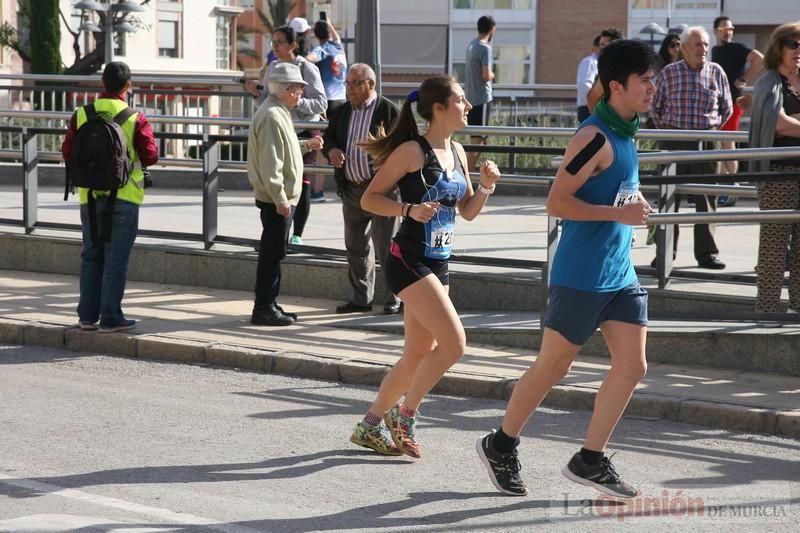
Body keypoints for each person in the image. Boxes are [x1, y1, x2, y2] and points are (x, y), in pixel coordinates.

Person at [477, 39, 655, 499]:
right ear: (617, 86)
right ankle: (500, 443)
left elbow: (611, 191)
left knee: (633, 365)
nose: (653, 87)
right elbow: (555, 202)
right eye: (645, 80)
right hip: (580, 274)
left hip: (619, 273)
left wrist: (630, 202)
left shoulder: (628, 131)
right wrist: (618, 214)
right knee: (552, 368)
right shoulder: (593, 136)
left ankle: (590, 459)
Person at [349, 75, 501, 457]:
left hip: (439, 261)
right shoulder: (412, 153)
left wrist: (484, 187)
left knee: (418, 352)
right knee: (455, 344)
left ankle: (369, 425)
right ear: (439, 108)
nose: (468, 106)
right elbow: (370, 199)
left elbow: (466, 213)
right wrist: (408, 209)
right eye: (462, 100)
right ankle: (407, 415)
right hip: (409, 259)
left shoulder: (459, 153)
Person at [62, 61, 158, 333]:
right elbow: (151, 155)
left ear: (102, 84)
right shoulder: (135, 117)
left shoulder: (82, 114)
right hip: (125, 195)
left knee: (91, 253)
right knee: (116, 258)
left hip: (89, 196)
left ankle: (87, 316)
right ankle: (111, 317)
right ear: (128, 86)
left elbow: (67, 151)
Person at [322, 63, 403, 315]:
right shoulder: (341, 111)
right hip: (351, 188)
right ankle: (361, 298)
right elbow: (330, 139)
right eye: (347, 83)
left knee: (386, 245)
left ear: (371, 84)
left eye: (356, 83)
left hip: (382, 191)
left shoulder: (389, 111)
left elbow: (404, 148)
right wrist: (332, 150)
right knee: (355, 246)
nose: (350, 89)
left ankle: (395, 298)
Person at [247, 63, 323, 326]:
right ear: (283, 89)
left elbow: (284, 148)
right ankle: (264, 306)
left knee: (275, 251)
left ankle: (269, 302)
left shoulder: (277, 112)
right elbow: (271, 162)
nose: (301, 94)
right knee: (272, 253)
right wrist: (280, 198)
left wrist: (306, 144)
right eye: (297, 89)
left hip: (280, 198)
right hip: (276, 199)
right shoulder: (271, 115)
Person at [650, 26, 732, 270]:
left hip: (707, 140)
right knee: (668, 198)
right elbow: (655, 106)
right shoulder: (668, 73)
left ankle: (707, 254)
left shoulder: (716, 72)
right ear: (684, 48)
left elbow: (726, 108)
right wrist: (669, 131)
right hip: (674, 140)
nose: (703, 49)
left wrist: (710, 130)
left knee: (706, 199)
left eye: (706, 44)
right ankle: (664, 253)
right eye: (697, 44)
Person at [245, 25, 326, 246]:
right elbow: (269, 101)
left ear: (292, 45)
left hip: (303, 128)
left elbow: (321, 102)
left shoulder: (307, 68)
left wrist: (297, 99)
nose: (275, 47)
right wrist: (257, 94)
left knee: (300, 182)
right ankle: (279, 235)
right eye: (273, 42)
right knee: (279, 176)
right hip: (279, 125)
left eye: (280, 42)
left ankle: (296, 233)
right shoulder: (273, 67)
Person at [749, 22, 800, 313]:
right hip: (778, 174)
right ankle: (766, 311)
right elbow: (778, 123)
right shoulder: (769, 81)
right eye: (792, 44)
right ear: (778, 47)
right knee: (773, 246)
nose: (798, 51)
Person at [712, 16, 764, 207]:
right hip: (718, 104)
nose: (729, 32)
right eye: (725, 29)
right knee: (719, 144)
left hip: (733, 103)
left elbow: (760, 59)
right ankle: (723, 187)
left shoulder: (737, 48)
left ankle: (732, 187)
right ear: (716, 31)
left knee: (728, 142)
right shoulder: (716, 50)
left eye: (731, 29)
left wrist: (744, 78)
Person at [307, 19, 348, 202]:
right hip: (343, 100)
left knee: (324, 146)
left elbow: (309, 60)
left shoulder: (321, 49)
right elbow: (335, 35)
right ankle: (347, 187)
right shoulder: (338, 47)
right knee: (343, 143)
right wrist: (329, 23)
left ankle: (318, 190)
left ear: (317, 35)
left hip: (328, 103)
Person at [464, 15, 496, 170]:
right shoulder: (485, 48)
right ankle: (468, 176)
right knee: (478, 142)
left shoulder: (471, 45)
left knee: (477, 140)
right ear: (491, 29)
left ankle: (469, 174)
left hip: (471, 97)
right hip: (482, 99)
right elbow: (485, 75)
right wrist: (493, 75)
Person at [585, 28, 624, 113]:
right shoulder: (628, 68)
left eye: (603, 45)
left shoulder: (610, 70)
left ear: (614, 46)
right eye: (600, 45)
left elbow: (592, 101)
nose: (599, 49)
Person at [576, 34, 602, 123]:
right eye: (602, 45)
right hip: (589, 110)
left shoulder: (599, 63)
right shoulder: (591, 62)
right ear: (594, 47)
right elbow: (584, 84)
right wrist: (593, 105)